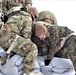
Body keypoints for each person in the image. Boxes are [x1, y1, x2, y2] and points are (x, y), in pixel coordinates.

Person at [0, 0, 39, 75]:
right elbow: (26, 36)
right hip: (8, 38)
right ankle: (28, 73)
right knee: (32, 48)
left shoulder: (16, 16)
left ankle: (3, 60)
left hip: (3, 37)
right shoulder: (28, 18)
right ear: (33, 15)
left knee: (16, 47)